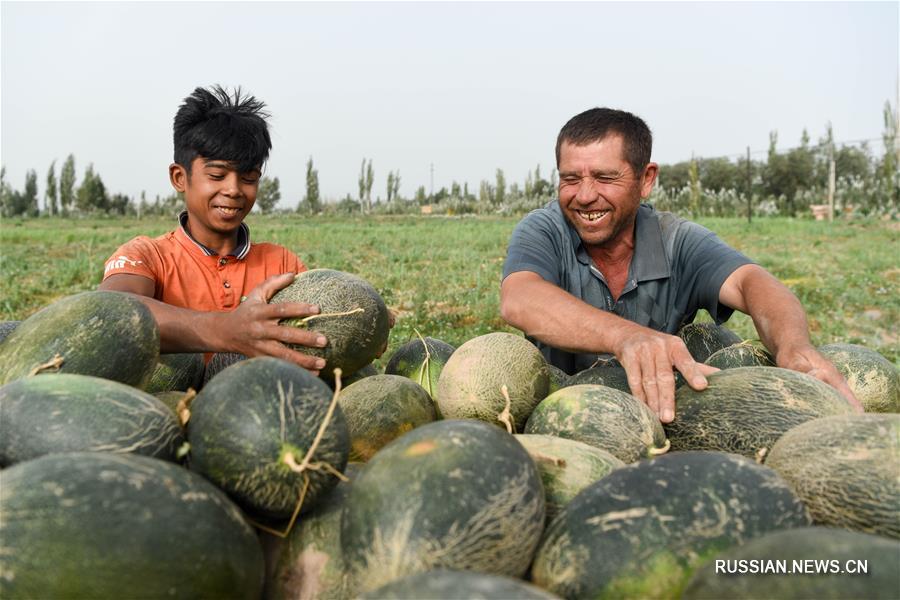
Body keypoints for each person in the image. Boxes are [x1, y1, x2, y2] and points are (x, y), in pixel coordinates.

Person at [500, 107, 860, 423]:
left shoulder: (678, 240)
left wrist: (793, 346)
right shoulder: (545, 229)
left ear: (646, 180)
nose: (584, 195)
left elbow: (752, 282)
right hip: (561, 421)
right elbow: (520, 298)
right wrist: (625, 336)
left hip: (667, 420)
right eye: (570, 179)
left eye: (606, 178)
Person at [100, 85, 329, 375]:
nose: (233, 190)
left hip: (256, 410)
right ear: (180, 177)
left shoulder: (281, 263)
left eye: (248, 177)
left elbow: (320, 326)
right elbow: (110, 313)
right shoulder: (147, 256)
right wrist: (226, 330)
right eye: (217, 175)